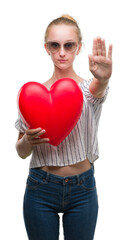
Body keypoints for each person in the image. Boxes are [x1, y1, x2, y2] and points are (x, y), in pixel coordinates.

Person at [15, 14, 112, 240]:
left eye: (69, 45)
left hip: (83, 190)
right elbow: (21, 153)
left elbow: (99, 89)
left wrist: (104, 79)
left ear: (78, 48)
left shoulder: (89, 89)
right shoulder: (30, 96)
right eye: (55, 45)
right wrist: (26, 141)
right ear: (46, 48)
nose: (62, 52)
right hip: (40, 189)